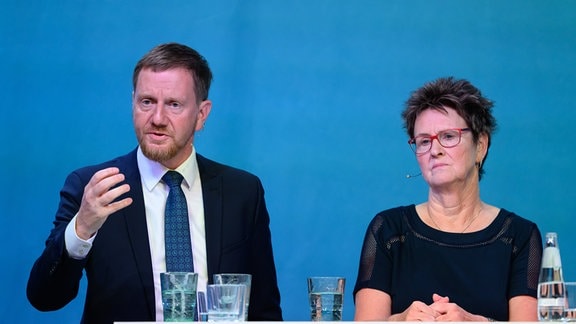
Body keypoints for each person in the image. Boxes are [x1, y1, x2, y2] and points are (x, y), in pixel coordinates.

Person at [27, 42, 283, 323]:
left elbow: (264, 311)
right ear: (133, 102)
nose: (157, 119)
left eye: (174, 104)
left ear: (201, 114)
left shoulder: (243, 192)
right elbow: (45, 298)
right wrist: (82, 228)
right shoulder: (94, 188)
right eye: (146, 102)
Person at [353, 77, 542, 322]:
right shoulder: (388, 230)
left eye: (449, 136)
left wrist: (476, 322)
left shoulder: (520, 236)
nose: (435, 149)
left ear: (481, 146)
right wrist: (400, 320)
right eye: (423, 141)